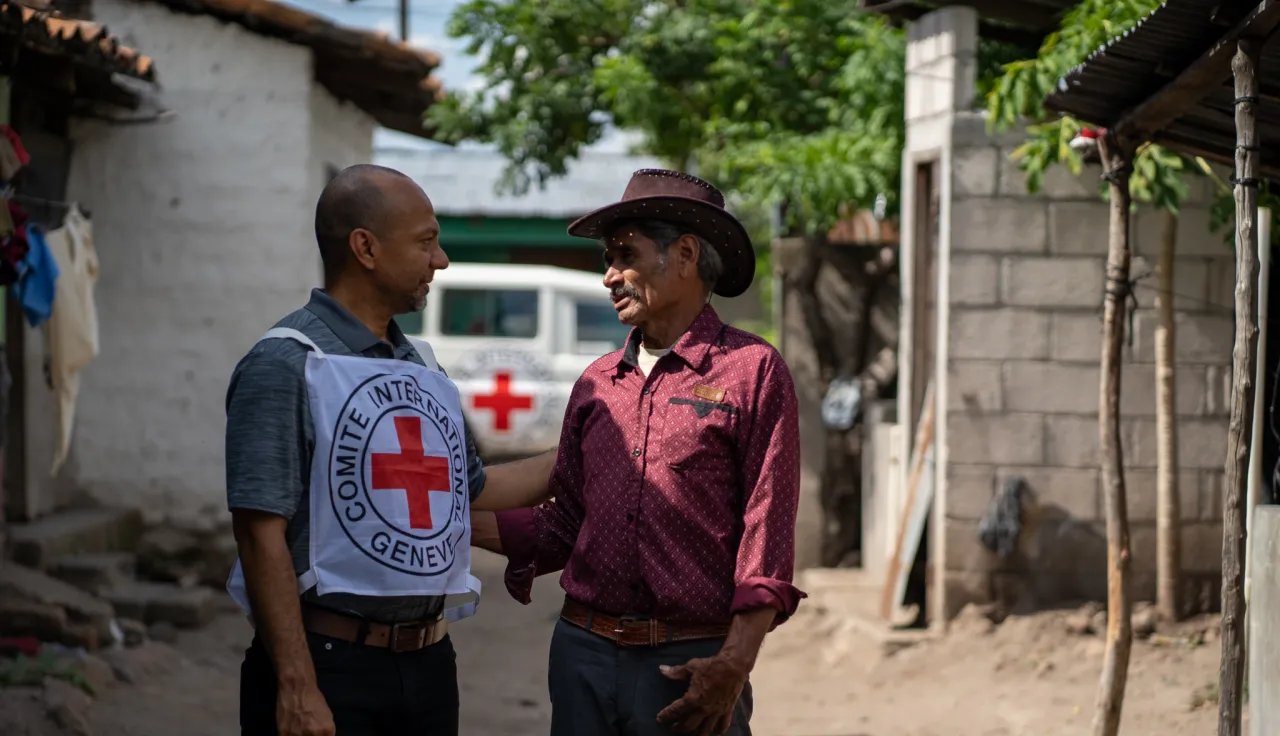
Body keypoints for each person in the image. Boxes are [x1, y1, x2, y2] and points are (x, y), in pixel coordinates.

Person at [224, 164, 555, 736]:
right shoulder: (285, 363)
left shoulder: (421, 366)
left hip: (428, 666)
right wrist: (298, 686)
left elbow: (475, 490)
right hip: (328, 666)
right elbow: (259, 533)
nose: (441, 259)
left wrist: (592, 446)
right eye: (426, 242)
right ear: (366, 248)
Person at [471, 168, 805, 736]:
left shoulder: (753, 371)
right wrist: (436, 520)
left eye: (625, 254)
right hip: (582, 657)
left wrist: (734, 663)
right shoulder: (598, 381)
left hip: (689, 666)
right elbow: (565, 524)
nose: (609, 276)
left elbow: (765, 532)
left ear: (685, 255)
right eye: (608, 257)